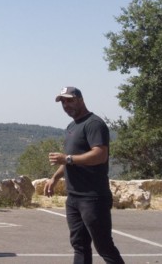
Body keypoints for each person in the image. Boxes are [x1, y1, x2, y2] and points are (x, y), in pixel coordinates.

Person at [47, 87, 125, 264]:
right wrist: (55, 177)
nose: (66, 105)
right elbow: (72, 160)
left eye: (69, 100)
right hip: (74, 197)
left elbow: (100, 155)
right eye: (63, 102)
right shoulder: (72, 126)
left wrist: (66, 158)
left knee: (104, 246)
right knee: (80, 245)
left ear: (81, 100)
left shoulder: (94, 124)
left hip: (93, 197)